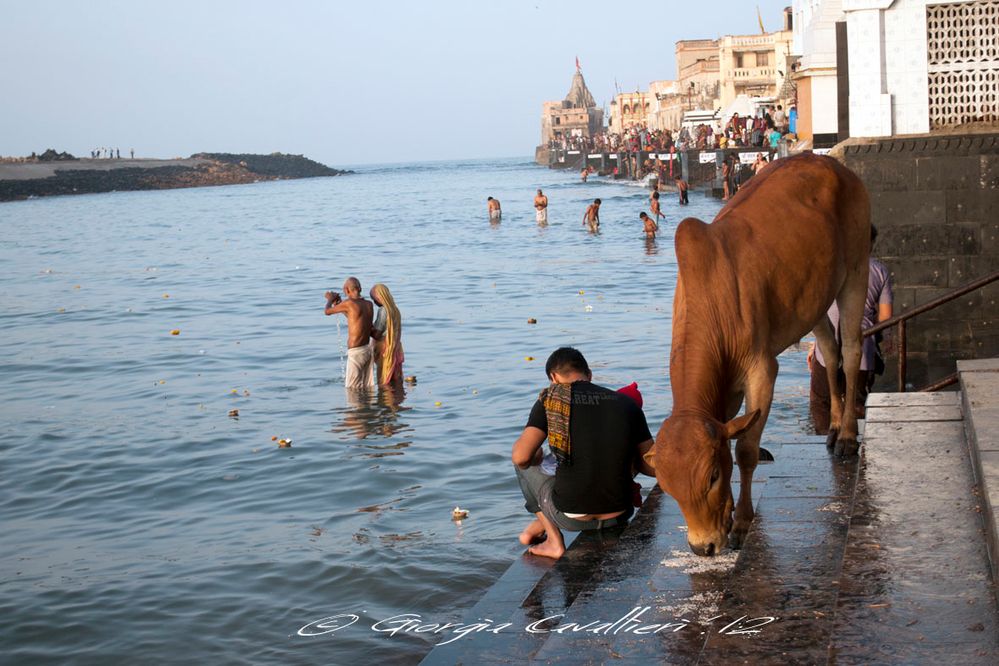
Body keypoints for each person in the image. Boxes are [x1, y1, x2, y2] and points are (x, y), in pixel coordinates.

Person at [511, 347, 656, 559]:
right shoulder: (626, 404)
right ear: (589, 374)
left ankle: (554, 542)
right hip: (621, 512)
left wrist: (536, 457)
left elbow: (521, 457)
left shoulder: (550, 400)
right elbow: (650, 466)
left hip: (572, 518)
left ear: (553, 377)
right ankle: (538, 526)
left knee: (521, 463)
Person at [808, 226, 894, 433]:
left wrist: (813, 345)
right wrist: (885, 339)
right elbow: (885, 318)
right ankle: (851, 444)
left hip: (826, 349)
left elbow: (818, 311)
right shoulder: (879, 271)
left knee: (821, 402)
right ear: (871, 244)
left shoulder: (830, 268)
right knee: (856, 404)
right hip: (861, 346)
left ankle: (823, 443)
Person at [324, 277, 375, 388]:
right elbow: (356, 319)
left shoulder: (349, 303)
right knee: (366, 387)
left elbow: (327, 311)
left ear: (347, 290)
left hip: (356, 353)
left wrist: (330, 299)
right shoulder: (369, 304)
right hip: (367, 350)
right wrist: (340, 304)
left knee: (352, 389)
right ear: (360, 288)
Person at [369, 283, 404, 386]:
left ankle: (385, 400)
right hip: (395, 348)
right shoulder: (395, 309)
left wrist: (365, 322)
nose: (374, 302)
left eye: (374, 299)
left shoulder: (384, 310)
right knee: (395, 378)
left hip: (385, 349)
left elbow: (377, 335)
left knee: (384, 380)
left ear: (380, 297)